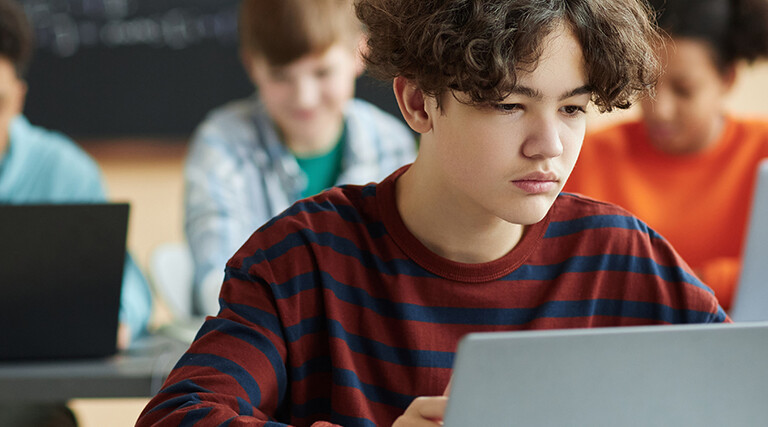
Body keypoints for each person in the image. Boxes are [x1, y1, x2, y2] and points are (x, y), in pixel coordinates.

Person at [138, 0, 729, 426]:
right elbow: (178, 416)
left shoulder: (622, 256)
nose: (549, 144)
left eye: (573, 108)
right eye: (507, 104)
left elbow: (746, 393)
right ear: (419, 103)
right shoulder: (301, 257)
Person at [184, 0, 417, 316]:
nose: (304, 97)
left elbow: (406, 274)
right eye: (281, 76)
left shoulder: (391, 143)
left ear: (359, 53)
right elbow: (220, 287)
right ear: (253, 66)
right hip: (269, 345)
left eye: (322, 72)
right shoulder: (221, 146)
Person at [0, 0, 152, 424]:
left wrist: (115, 320)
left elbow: (130, 291)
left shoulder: (64, 170)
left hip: (24, 408)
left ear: (18, 99)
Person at [564, 0, 768, 311]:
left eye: (684, 90)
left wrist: (675, 285)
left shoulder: (762, 149)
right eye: (646, 85)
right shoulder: (589, 154)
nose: (660, 111)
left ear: (727, 79)